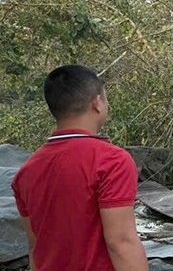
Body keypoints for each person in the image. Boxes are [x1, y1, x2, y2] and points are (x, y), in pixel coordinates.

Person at [11, 65, 148, 271]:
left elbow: (35, 248)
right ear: (97, 103)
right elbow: (121, 243)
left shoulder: (26, 172)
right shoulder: (112, 161)